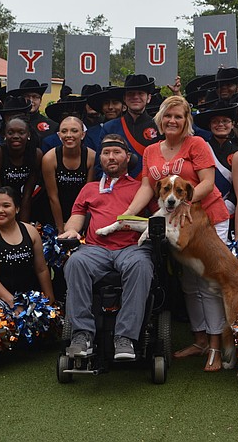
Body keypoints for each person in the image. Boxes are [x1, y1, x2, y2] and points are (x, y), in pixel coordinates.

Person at [120, 96, 231, 371]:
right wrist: (128, 215)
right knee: (189, 285)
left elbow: (208, 182)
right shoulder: (151, 150)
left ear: (186, 120)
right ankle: (200, 340)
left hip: (207, 219)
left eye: (178, 116)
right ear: (160, 118)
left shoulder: (196, 144)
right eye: (168, 116)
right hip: (175, 224)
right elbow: (148, 187)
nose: (172, 121)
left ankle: (216, 348)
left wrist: (185, 203)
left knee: (208, 284)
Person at [59, 134, 154, 362]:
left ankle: (125, 337)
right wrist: (72, 230)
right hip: (95, 249)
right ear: (100, 158)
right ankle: (82, 334)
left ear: (127, 157)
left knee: (141, 265)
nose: (111, 157)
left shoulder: (141, 187)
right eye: (106, 153)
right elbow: (76, 216)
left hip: (131, 247)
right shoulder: (90, 188)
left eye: (117, 152)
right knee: (75, 262)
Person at [0, 187, 54, 306]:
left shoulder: (30, 231)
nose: (0, 210)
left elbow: (41, 269)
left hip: (31, 300)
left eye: (6, 206)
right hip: (3, 303)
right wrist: (13, 303)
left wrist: (49, 299)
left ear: (17, 208)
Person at [100, 74, 161, 179]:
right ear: (124, 98)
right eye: (131, 94)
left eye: (140, 93)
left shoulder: (160, 126)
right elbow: (100, 165)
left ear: (149, 98)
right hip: (117, 188)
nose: (135, 97)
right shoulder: (109, 128)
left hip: (151, 187)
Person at [42, 115, 95, 233]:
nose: (69, 135)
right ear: (59, 135)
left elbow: (87, 196)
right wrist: (60, 229)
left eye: (74, 131)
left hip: (81, 211)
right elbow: (52, 196)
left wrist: (78, 226)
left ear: (83, 134)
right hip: (55, 211)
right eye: (64, 131)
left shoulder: (91, 157)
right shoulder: (49, 158)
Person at [0, 116, 42, 223]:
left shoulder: (36, 155)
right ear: (4, 135)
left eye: (21, 132)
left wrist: (23, 227)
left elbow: (27, 195)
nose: (16, 136)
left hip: (24, 199)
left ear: (28, 135)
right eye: (11, 133)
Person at [194, 102, 238, 216]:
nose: (220, 124)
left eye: (225, 121)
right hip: (202, 206)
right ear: (209, 125)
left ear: (233, 124)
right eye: (215, 121)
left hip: (229, 209)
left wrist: (228, 206)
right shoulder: (200, 148)